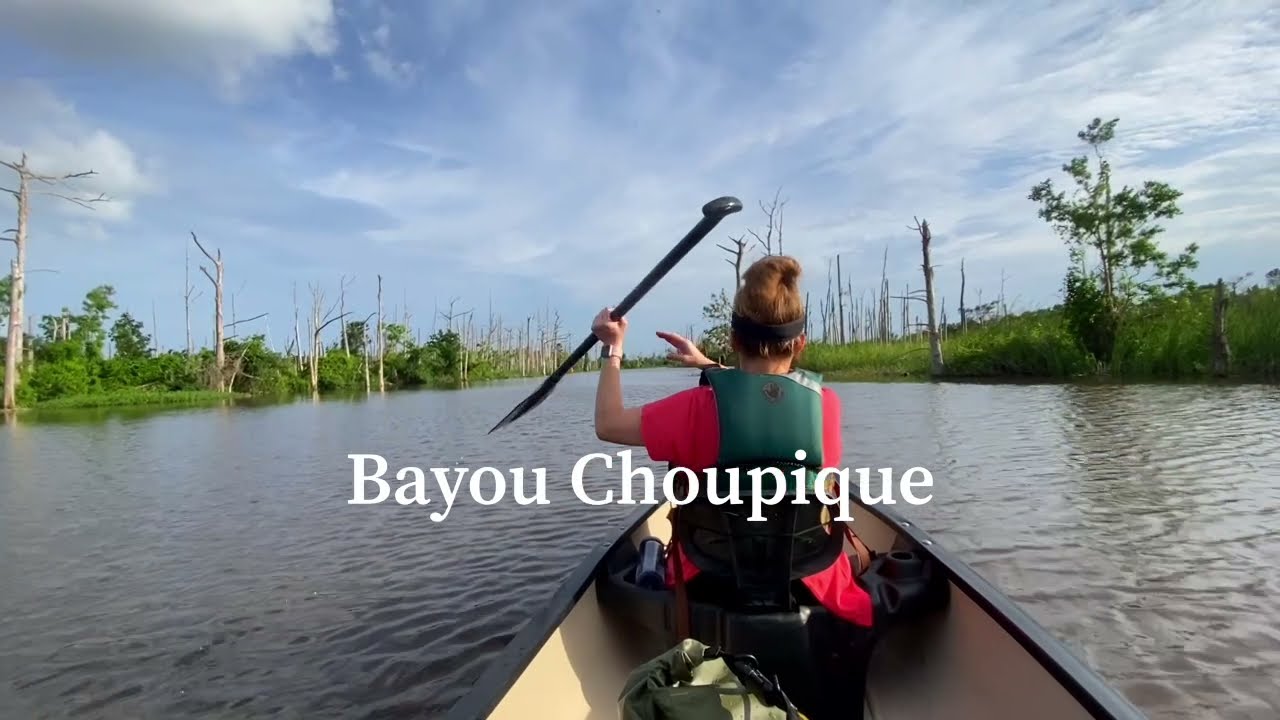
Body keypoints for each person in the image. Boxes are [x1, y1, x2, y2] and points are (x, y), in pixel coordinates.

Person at [590, 254, 874, 637]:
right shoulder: (826, 405)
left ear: (734, 339)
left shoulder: (693, 410)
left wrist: (613, 349)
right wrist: (708, 365)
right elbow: (768, 395)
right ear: (801, 343)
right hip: (807, 573)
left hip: (708, 572)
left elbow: (608, 424)